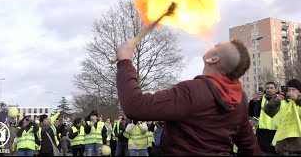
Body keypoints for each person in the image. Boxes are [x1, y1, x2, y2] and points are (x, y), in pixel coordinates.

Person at [115, 39, 261, 155]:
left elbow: (135, 106)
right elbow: (249, 146)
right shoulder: (240, 99)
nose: (212, 44)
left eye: (217, 45)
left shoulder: (191, 91)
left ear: (213, 59)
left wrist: (125, 62)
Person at [264, 79, 301, 156]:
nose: (290, 91)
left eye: (293, 89)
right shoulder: (283, 102)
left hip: (297, 146)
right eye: (289, 89)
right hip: (283, 146)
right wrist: (275, 101)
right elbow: (268, 111)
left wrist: (297, 99)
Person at [249, 82, 280, 156]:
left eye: (271, 88)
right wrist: (253, 101)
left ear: (276, 89)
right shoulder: (260, 100)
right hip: (262, 134)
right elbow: (251, 113)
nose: (269, 90)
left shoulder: (280, 99)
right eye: (267, 88)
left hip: (276, 132)